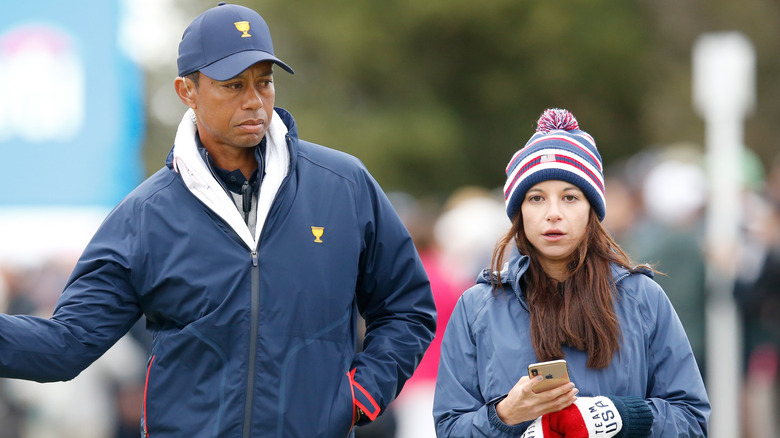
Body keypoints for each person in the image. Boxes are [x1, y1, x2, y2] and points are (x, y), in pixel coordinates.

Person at [0, 3, 436, 437]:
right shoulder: (144, 217)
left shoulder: (344, 186)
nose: (254, 101)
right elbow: (65, 345)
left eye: (264, 83)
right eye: (232, 85)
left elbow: (408, 308)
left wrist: (359, 398)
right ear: (185, 91)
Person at [433, 108, 710, 436]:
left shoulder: (642, 298)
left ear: (592, 209)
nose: (553, 213)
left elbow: (691, 419)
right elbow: (450, 426)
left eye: (570, 197)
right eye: (536, 198)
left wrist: (619, 415)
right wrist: (503, 416)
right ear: (518, 211)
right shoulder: (478, 307)